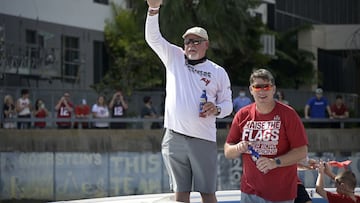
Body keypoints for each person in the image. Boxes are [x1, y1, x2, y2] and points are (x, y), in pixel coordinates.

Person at [145, 1, 233, 202]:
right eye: (188, 42)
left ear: (206, 44)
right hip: (174, 137)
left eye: (196, 41)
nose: (191, 45)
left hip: (203, 138)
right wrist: (153, 9)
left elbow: (228, 105)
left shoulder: (218, 71)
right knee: (181, 193)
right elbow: (153, 38)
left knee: (208, 193)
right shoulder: (174, 57)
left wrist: (217, 108)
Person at [224, 68, 308, 203]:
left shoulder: (288, 114)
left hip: (281, 193)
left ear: (273, 89)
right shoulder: (242, 114)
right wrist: (238, 148)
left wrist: (274, 162)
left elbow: (302, 152)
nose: (262, 91)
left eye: (266, 86)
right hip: (249, 192)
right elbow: (228, 151)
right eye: (257, 87)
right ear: (251, 90)